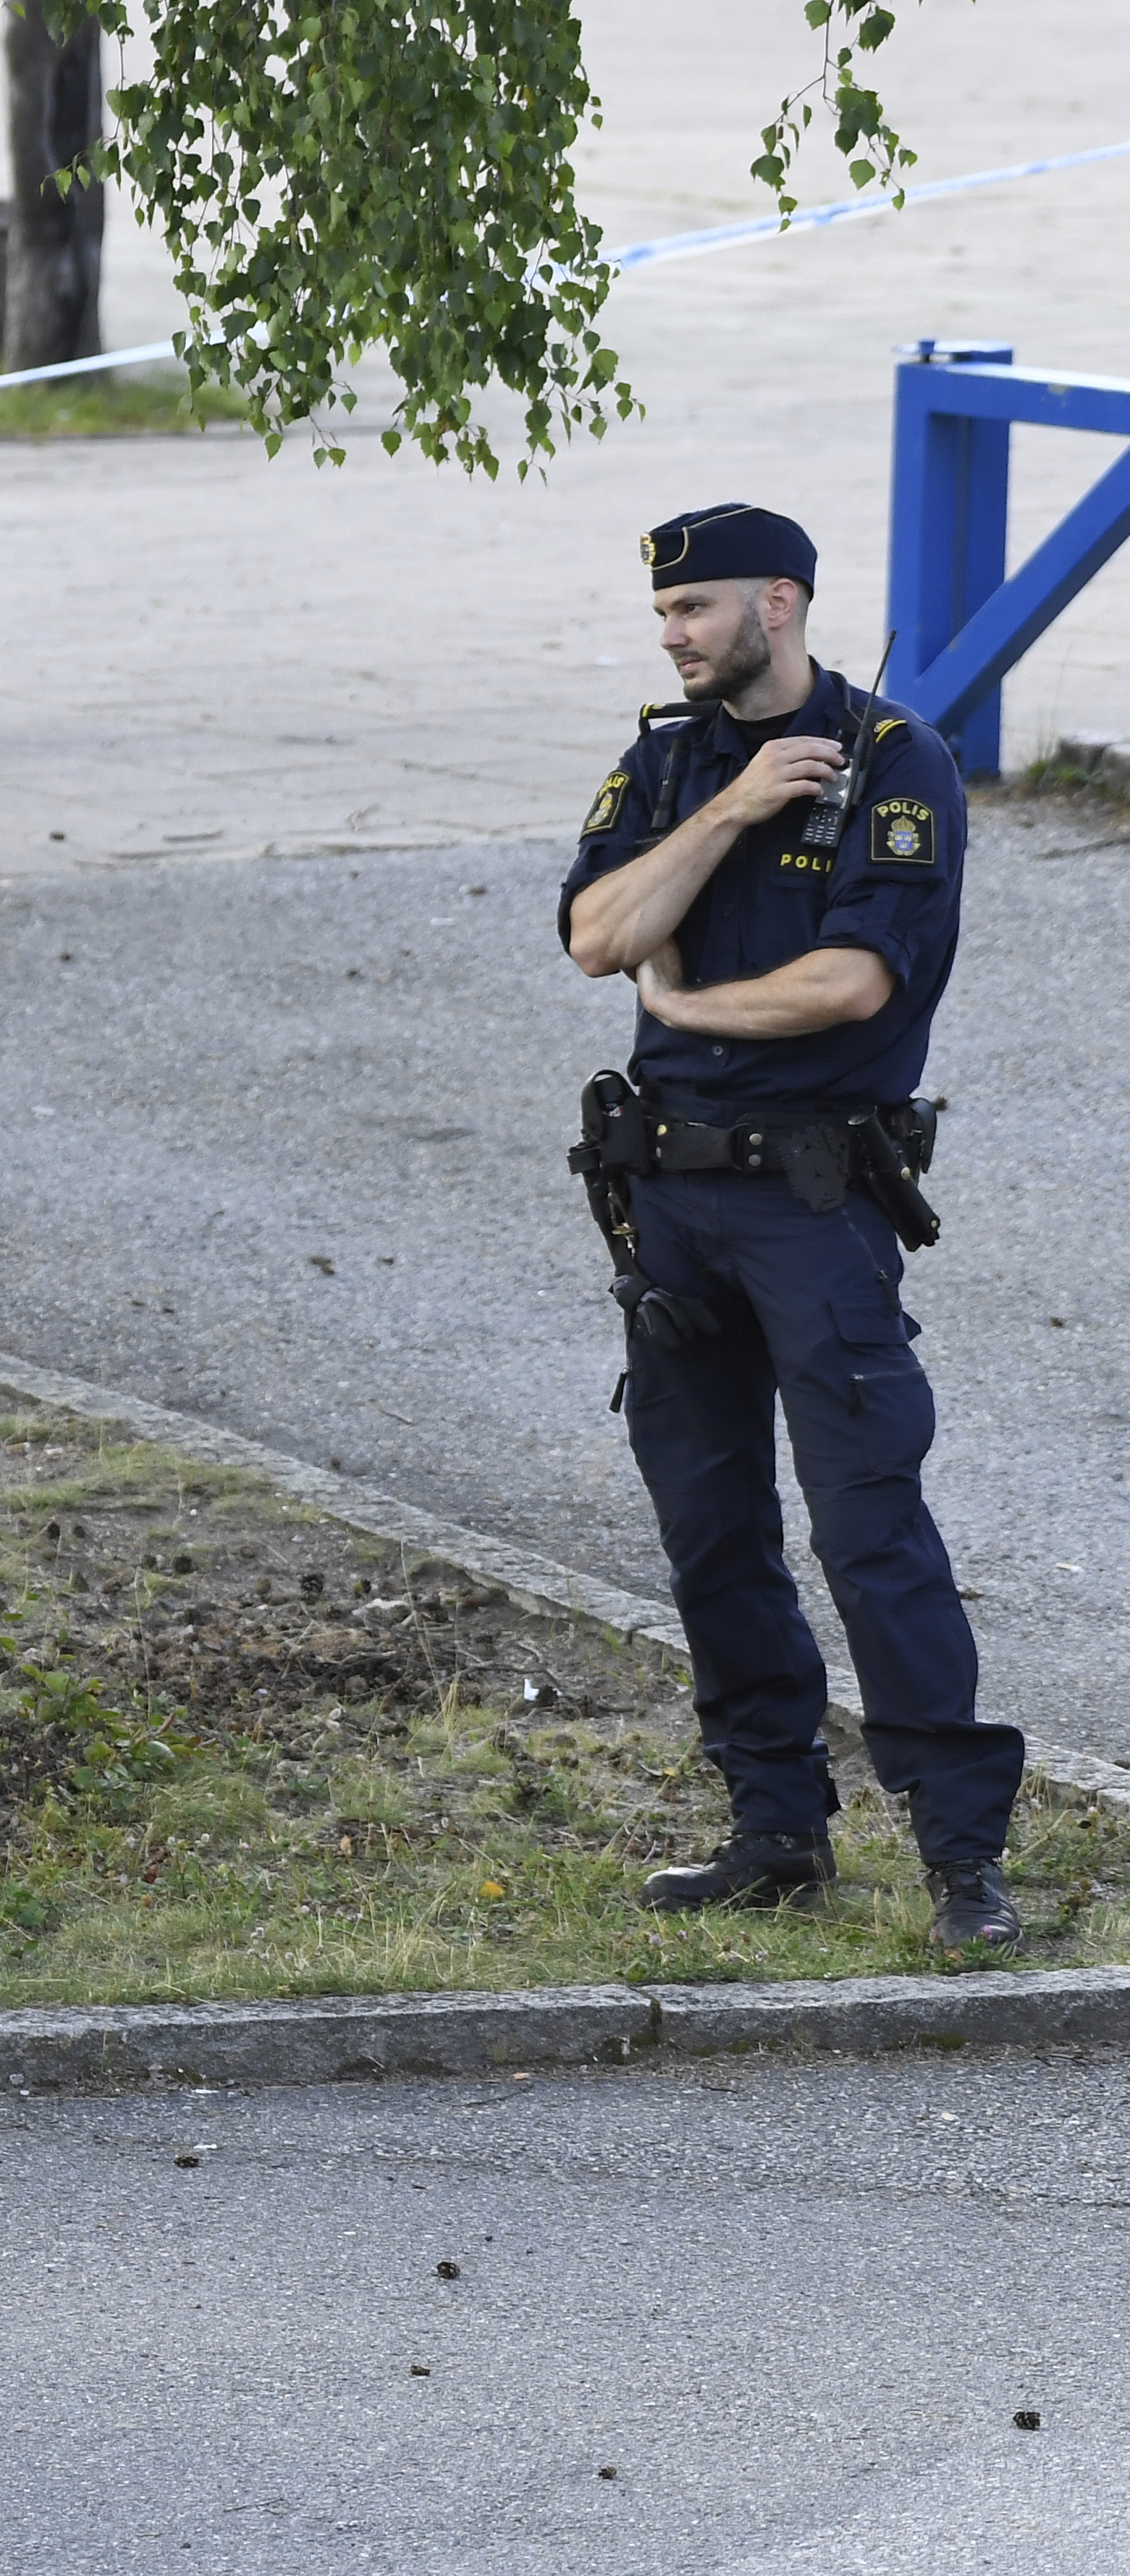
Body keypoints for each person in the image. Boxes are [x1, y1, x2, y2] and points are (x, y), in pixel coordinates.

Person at [558, 500, 1026, 1948]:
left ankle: (964, 1861)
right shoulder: (670, 760)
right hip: (673, 1208)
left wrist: (688, 1003)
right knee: (712, 1528)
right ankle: (776, 1828)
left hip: (816, 1206)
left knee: (870, 1528)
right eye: (664, 618)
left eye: (694, 611)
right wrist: (735, 807)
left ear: (779, 600)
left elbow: (848, 987)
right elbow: (597, 934)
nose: (674, 634)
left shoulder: (900, 766)